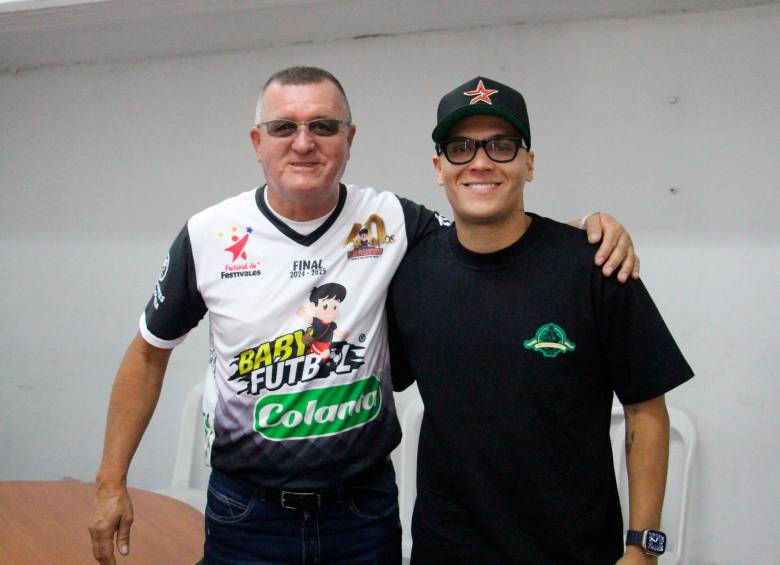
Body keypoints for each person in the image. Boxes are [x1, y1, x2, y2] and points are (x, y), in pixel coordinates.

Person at [88, 66, 639, 565]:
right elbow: (146, 354)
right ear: (258, 143)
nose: (304, 143)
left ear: (349, 140)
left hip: (362, 511)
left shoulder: (394, 220)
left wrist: (586, 231)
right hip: (246, 514)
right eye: (284, 128)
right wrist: (111, 480)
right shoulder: (209, 235)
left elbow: (492, 230)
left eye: (324, 126)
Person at [387, 76, 694, 564]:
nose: (481, 162)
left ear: (529, 163)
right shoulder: (410, 275)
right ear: (438, 166)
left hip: (574, 550)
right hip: (447, 550)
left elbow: (646, 412)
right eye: (461, 147)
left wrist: (643, 549)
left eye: (502, 146)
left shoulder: (596, 267)